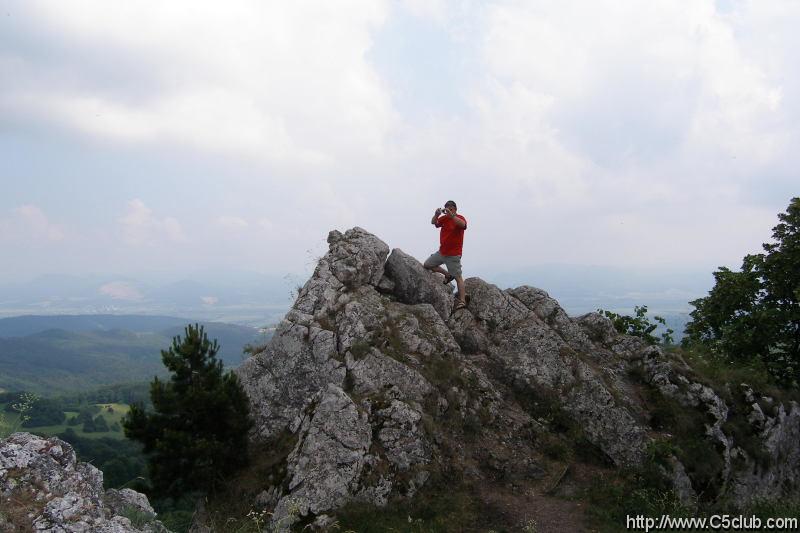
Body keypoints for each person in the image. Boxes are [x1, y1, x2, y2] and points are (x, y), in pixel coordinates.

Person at [423, 200, 468, 310]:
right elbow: (433, 222)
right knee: (427, 264)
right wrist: (436, 214)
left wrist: (452, 216)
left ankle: (463, 300)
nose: (448, 211)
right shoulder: (444, 218)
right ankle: (447, 275)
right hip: (442, 252)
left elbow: (463, 225)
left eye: (451, 209)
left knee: (458, 277)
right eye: (447, 209)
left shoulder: (460, 218)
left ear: (455, 209)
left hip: (453, 255)